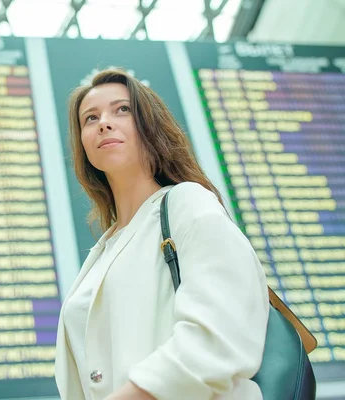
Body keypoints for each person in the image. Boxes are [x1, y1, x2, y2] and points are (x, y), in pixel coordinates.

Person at [54, 68, 270, 400]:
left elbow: (217, 337)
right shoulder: (103, 250)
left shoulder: (188, 202)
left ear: (150, 124)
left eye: (122, 109)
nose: (104, 123)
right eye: (90, 118)